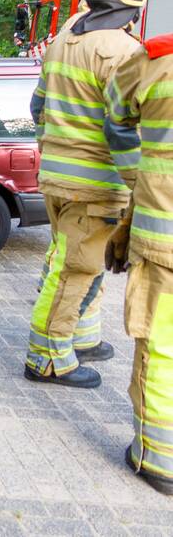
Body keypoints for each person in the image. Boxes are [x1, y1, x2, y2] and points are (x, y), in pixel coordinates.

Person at [25, 0, 165, 388]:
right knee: (75, 271)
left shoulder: (65, 37)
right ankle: (47, 358)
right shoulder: (124, 51)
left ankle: (82, 337)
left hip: (57, 178)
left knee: (79, 262)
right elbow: (123, 130)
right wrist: (141, 186)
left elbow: (38, 107)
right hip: (96, 186)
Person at [105, 31, 173, 494]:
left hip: (165, 238)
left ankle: (158, 457)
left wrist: (136, 180)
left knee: (162, 346)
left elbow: (115, 116)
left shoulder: (158, 60)